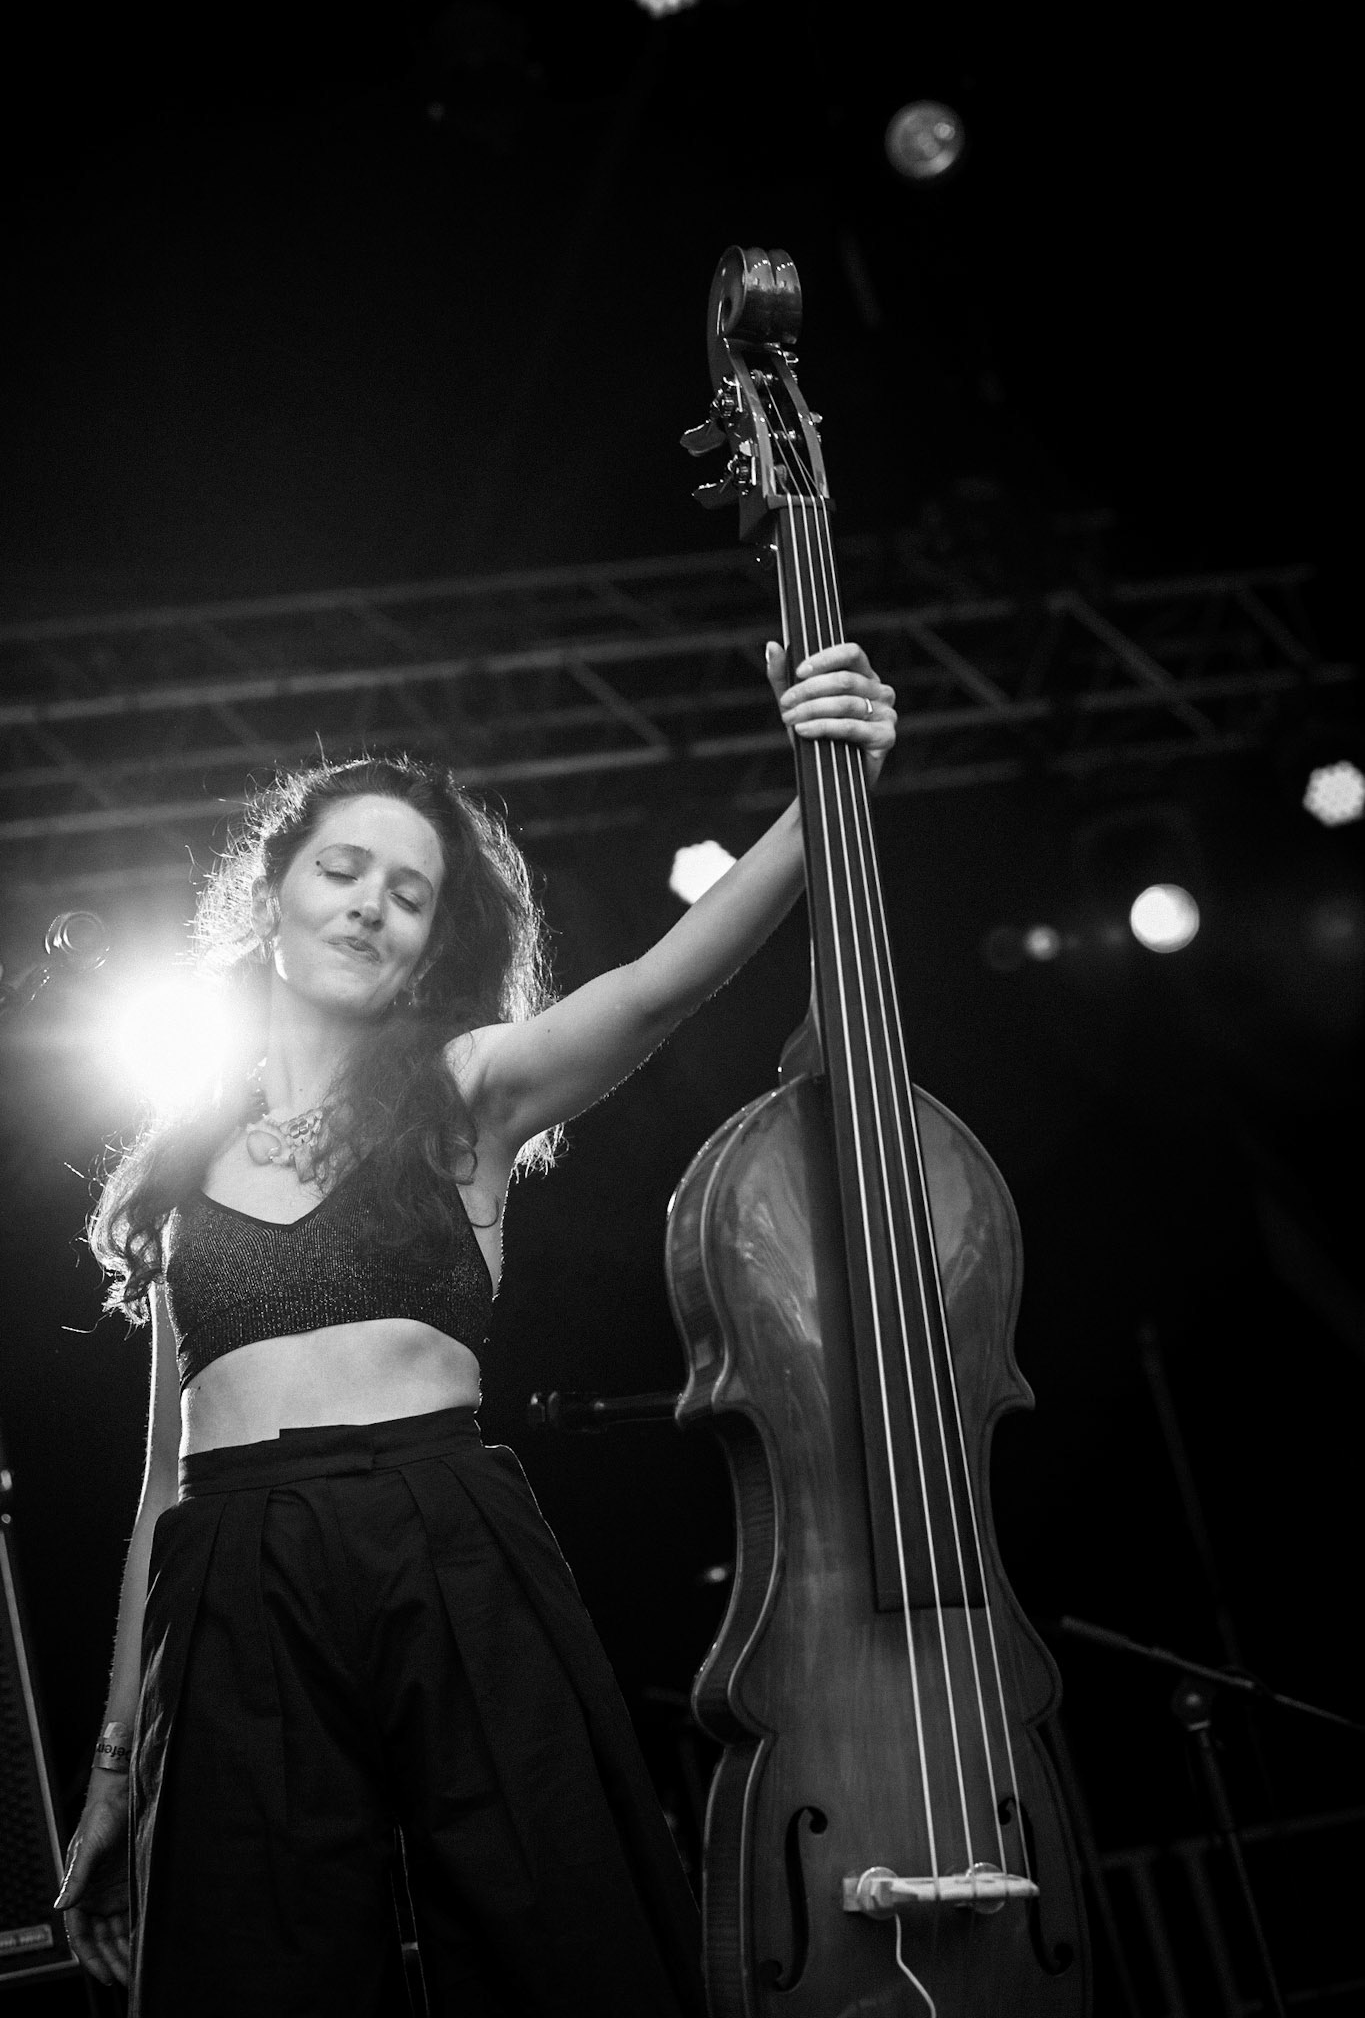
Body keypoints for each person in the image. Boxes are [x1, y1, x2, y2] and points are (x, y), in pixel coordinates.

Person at [56, 637, 896, 2015]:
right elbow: (163, 1481)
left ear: (434, 945)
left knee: (556, 1930)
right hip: (231, 1564)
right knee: (251, 1974)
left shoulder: (467, 1089)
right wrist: (111, 1772)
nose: (370, 908)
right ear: (271, 891)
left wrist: (831, 783)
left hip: (441, 1530)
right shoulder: (181, 1157)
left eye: (410, 896)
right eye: (342, 871)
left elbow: (660, 984)